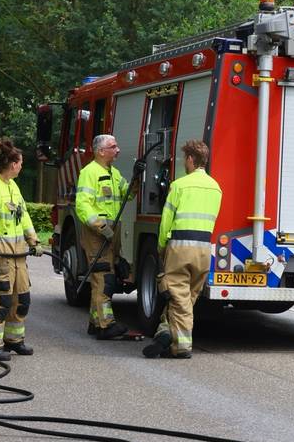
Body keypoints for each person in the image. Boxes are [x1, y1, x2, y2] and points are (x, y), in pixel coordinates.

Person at [144, 140, 222, 359]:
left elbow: (166, 221)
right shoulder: (216, 187)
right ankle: (165, 332)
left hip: (180, 246)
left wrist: (161, 246)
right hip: (204, 249)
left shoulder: (180, 185)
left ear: (190, 159)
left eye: (184, 159)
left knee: (178, 297)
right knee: (187, 298)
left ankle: (182, 346)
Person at [0, 140, 41, 360]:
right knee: (1, 301)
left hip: (18, 253)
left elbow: (24, 217)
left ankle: (14, 340)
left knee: (22, 299)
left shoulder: (13, 186)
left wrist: (33, 240)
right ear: (12, 164)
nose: (22, 166)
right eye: (20, 163)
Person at [75, 133, 134, 339]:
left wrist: (136, 178)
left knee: (105, 275)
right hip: (97, 234)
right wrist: (100, 226)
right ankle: (105, 325)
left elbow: (129, 194)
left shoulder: (114, 173)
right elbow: (82, 205)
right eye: (113, 147)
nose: (117, 150)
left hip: (111, 232)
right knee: (103, 278)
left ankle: (95, 322)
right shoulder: (89, 172)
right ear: (101, 151)